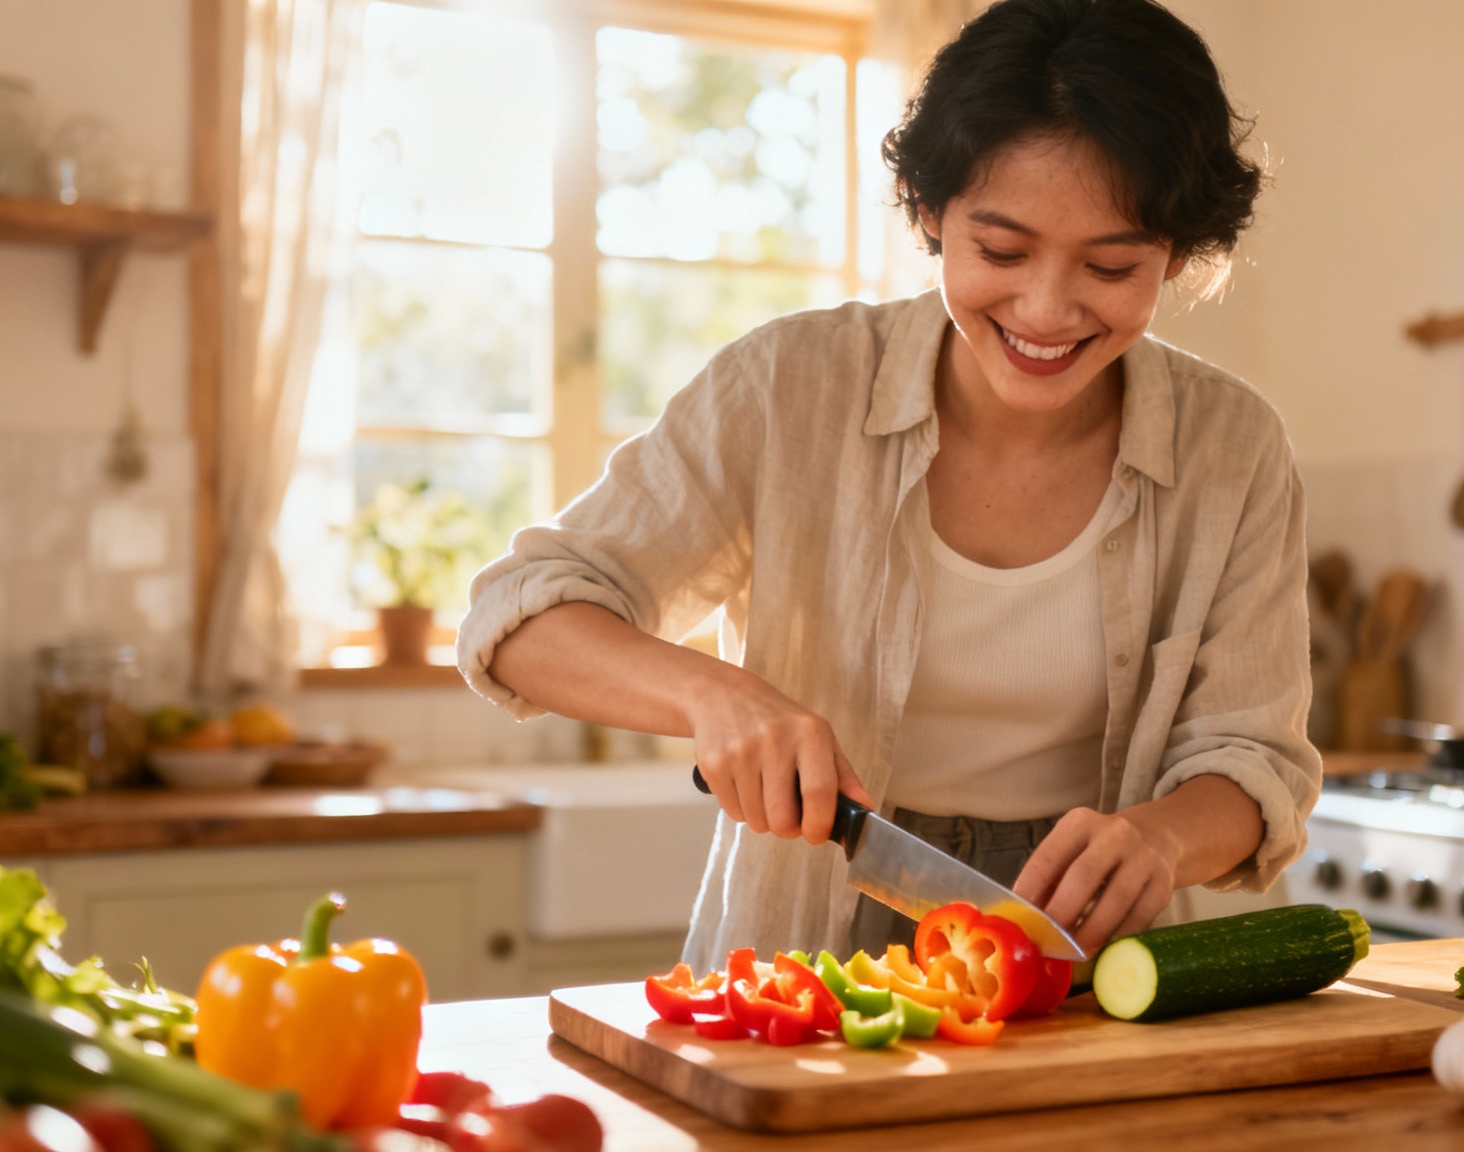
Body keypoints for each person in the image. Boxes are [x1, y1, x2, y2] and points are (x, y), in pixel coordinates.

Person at [459, 0, 1320, 972]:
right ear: (926, 212)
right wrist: (717, 698)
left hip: (1106, 956)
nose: (1043, 309)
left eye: (1111, 265)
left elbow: (1255, 763)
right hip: (806, 946)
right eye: (999, 251)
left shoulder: (1231, 445)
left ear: (1178, 254)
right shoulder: (787, 387)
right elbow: (517, 616)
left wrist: (1162, 838)